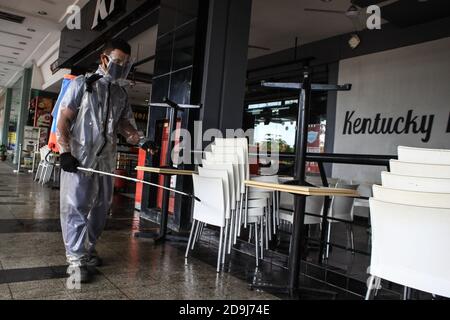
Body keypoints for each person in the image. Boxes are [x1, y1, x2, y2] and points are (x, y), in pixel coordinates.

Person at [56, 39, 155, 283]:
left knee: (100, 210)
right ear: (104, 59)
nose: (121, 67)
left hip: (105, 161)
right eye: (117, 61)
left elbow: (123, 123)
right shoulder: (83, 84)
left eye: (125, 63)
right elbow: (63, 119)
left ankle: (88, 249)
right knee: (76, 208)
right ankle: (76, 261)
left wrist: (140, 139)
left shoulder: (120, 92)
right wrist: (64, 151)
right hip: (79, 159)